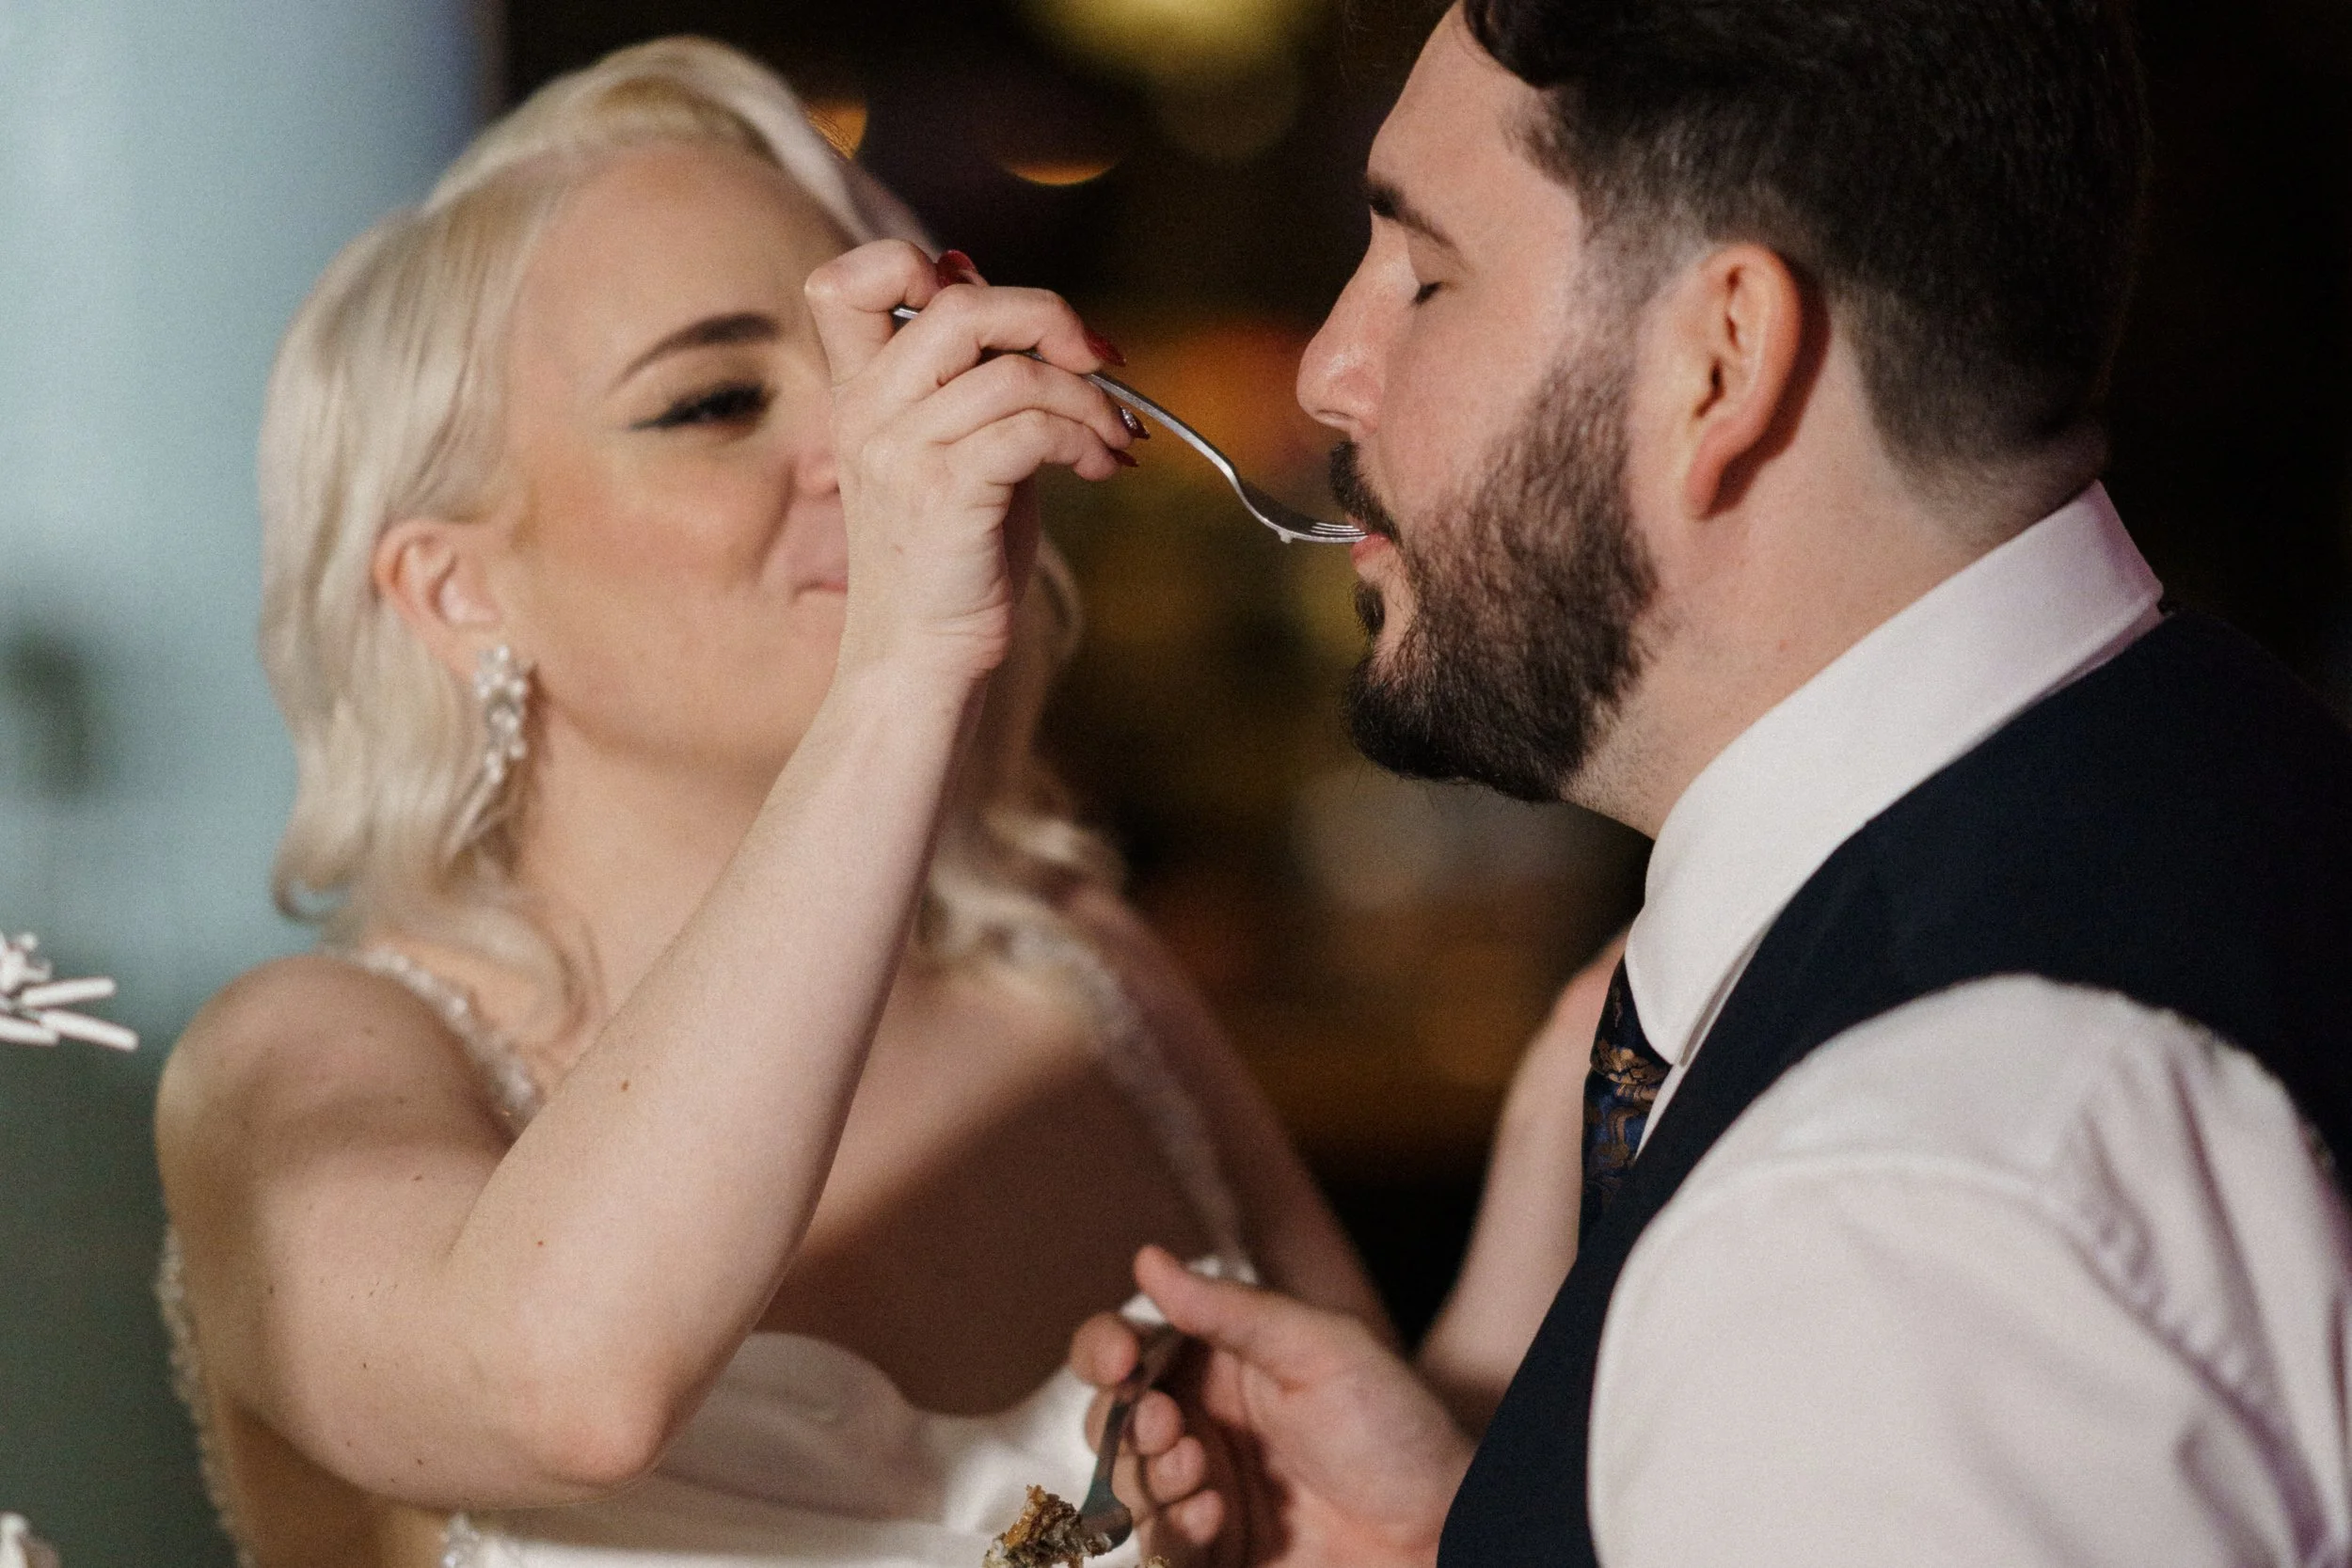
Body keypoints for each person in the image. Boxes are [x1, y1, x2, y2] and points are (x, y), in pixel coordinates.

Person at [1060, 3, 2352, 1565]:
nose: (1334, 369)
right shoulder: (2221, 767)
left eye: (1425, 270)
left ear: (1721, 360)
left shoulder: (1880, 1228)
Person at [151, 39, 1390, 1568]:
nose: (860, 453)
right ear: (456, 587)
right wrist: (905, 661)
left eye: (870, 366)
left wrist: (1562, 1145)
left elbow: (1389, 1476)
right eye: (717, 400)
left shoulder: (1076, 979)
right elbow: (562, 1387)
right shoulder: (307, 1060)